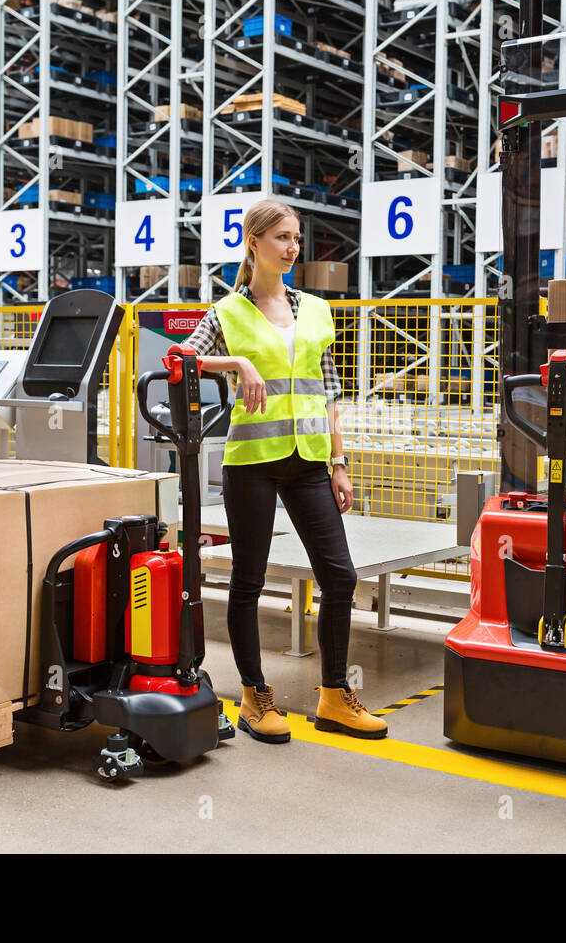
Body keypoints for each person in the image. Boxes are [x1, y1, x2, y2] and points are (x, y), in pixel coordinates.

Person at [183, 199, 387, 743]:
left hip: (309, 464)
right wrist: (236, 362)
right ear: (254, 242)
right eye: (282, 238)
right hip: (251, 463)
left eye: (297, 237)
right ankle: (253, 695)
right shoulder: (226, 313)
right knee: (248, 581)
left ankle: (334, 696)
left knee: (339, 575)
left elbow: (329, 395)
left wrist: (339, 463)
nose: (293, 247)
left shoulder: (317, 310)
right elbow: (180, 358)